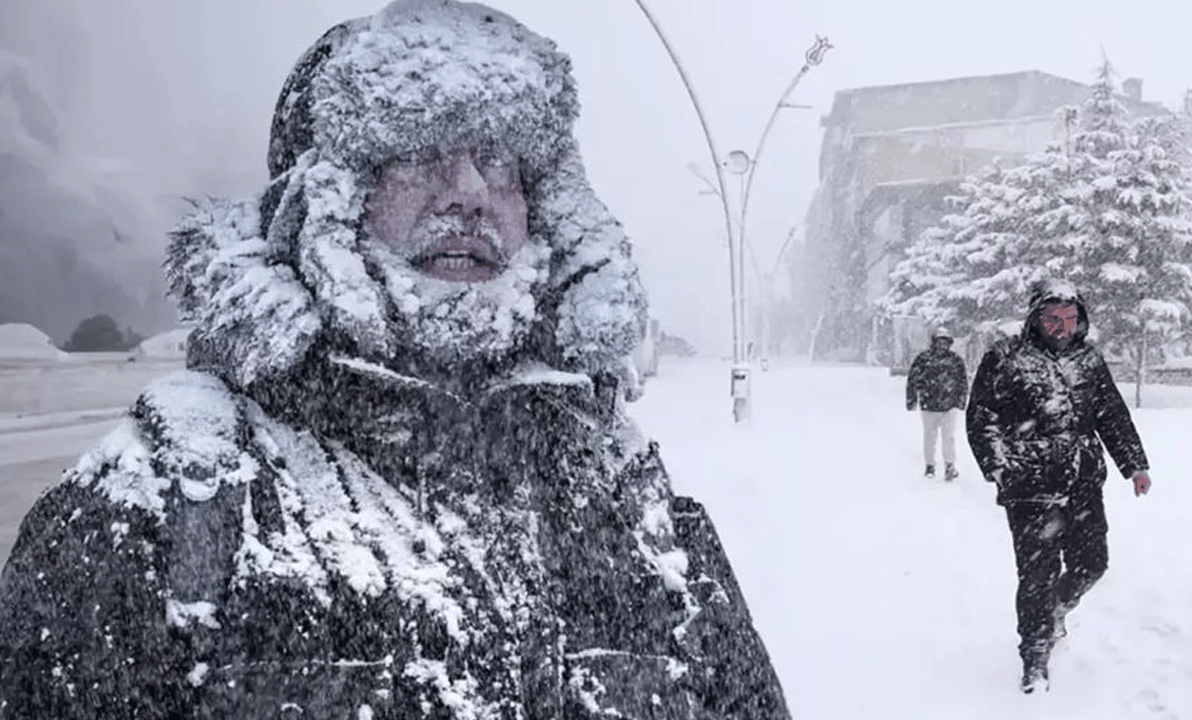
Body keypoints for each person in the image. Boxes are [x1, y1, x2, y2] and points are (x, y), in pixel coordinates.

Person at [0, 2, 791, 718]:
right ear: (323, 199)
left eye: (500, 158)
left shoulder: (623, 490)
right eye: (416, 150)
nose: (470, 190)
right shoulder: (161, 507)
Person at [965, 278, 1153, 694]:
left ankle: (1056, 609)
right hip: (1030, 486)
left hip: (1083, 482)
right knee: (1037, 575)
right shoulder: (1006, 357)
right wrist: (999, 467)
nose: (1062, 326)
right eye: (1052, 318)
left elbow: (1111, 415)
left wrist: (1135, 465)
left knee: (1093, 564)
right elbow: (982, 417)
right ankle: (1035, 657)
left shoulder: (1089, 360)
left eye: (1069, 318)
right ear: (1035, 318)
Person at [906, 326, 967, 481]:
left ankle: (950, 465)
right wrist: (911, 400)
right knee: (929, 437)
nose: (942, 345)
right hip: (929, 405)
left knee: (949, 437)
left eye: (945, 342)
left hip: (949, 405)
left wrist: (961, 400)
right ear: (933, 342)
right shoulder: (923, 359)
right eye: (939, 342)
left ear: (949, 343)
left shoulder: (955, 360)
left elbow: (962, 381)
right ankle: (929, 466)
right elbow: (912, 380)